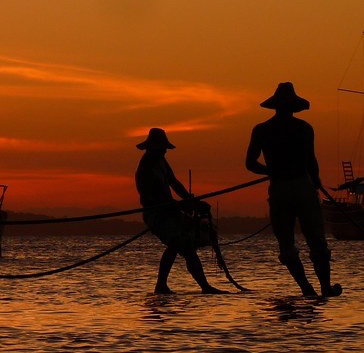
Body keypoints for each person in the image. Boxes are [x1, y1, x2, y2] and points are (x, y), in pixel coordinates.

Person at [245, 82, 342, 297]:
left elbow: (251, 164)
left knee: (290, 243)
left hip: (285, 188)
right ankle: (319, 288)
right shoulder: (302, 128)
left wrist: (270, 170)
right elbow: (311, 162)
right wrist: (313, 180)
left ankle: (310, 289)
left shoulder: (264, 130)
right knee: (314, 240)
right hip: (299, 187)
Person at [136, 128, 226, 295]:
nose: (165, 151)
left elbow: (174, 183)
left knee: (186, 246)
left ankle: (202, 287)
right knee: (177, 242)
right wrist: (186, 205)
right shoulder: (146, 168)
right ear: (152, 147)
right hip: (156, 213)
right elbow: (159, 200)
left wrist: (192, 201)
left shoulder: (161, 161)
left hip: (169, 211)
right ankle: (163, 285)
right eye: (162, 148)